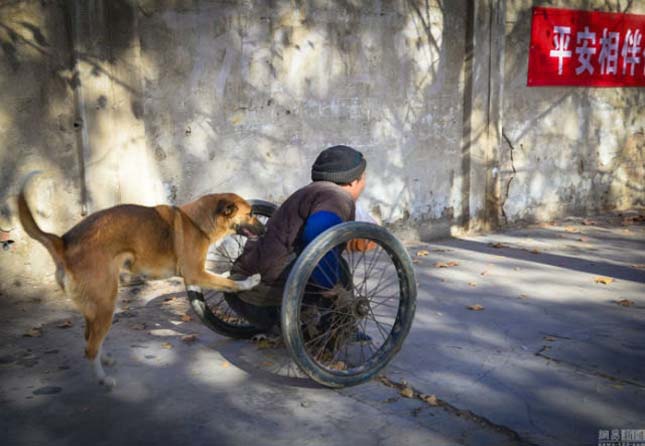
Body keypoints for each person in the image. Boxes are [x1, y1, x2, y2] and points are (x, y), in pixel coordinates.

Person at [226, 145, 373, 330]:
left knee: (321, 259)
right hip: (267, 304)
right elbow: (316, 237)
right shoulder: (337, 199)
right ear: (353, 181)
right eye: (364, 178)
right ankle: (337, 328)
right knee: (336, 267)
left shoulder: (308, 192)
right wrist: (333, 293)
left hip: (239, 294)